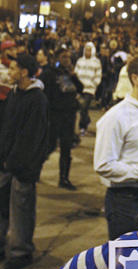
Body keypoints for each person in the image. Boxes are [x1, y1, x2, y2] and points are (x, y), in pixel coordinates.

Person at [0, 53, 48, 269]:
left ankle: (21, 251)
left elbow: (34, 139)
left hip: (22, 168)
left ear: (24, 72)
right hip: (4, 164)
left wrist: (21, 164)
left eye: (13, 68)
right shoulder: (13, 94)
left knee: (21, 210)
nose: (9, 72)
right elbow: (2, 128)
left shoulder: (37, 99)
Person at [93, 53, 138, 241]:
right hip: (125, 201)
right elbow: (103, 165)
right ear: (135, 78)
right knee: (125, 262)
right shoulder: (116, 117)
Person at [41, 48, 83, 190]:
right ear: (57, 58)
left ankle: (64, 178)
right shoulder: (49, 74)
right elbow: (43, 94)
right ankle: (35, 168)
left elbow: (81, 88)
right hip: (54, 115)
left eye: (69, 57)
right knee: (49, 145)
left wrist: (74, 76)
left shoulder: (69, 74)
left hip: (69, 115)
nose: (67, 60)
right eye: (64, 57)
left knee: (66, 147)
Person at [75, 42, 101, 136]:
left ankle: (82, 127)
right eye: (86, 50)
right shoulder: (79, 61)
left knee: (84, 107)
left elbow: (98, 76)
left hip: (89, 89)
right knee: (82, 108)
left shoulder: (96, 62)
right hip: (80, 88)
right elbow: (76, 72)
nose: (87, 52)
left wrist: (94, 85)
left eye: (89, 50)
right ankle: (87, 120)